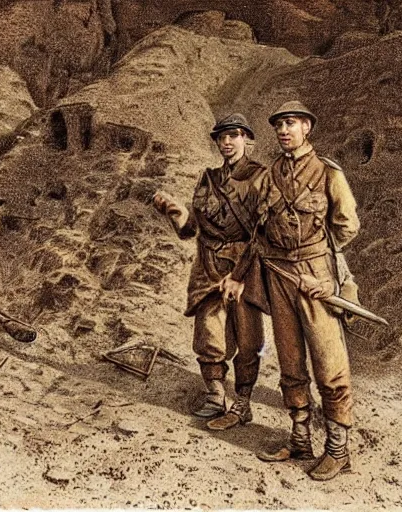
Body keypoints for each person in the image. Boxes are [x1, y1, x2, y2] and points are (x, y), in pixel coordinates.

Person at [223, 101, 360, 480]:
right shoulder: (269, 177)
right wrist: (239, 273)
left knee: (330, 366)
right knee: (290, 363)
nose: (284, 130)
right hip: (278, 276)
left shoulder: (328, 174)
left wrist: (327, 276)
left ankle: (338, 449)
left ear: (307, 129)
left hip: (315, 278)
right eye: (280, 124)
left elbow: (346, 226)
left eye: (292, 124)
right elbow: (258, 232)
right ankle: (300, 438)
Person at [153, 114, 269, 431]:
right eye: (221, 137)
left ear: (248, 140)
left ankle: (242, 403)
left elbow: (263, 233)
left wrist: (241, 274)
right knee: (208, 334)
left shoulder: (260, 178)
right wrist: (172, 210)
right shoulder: (208, 179)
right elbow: (189, 230)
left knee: (248, 340)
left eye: (233, 136)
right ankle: (215, 395)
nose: (227, 142)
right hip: (208, 266)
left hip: (244, 266)